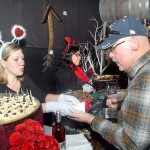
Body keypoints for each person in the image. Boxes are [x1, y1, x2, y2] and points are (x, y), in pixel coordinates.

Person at [69, 16, 150, 150]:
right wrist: (123, 96)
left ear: (134, 42)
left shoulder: (145, 78)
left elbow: (132, 144)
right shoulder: (143, 73)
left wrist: (91, 120)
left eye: (113, 48)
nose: (110, 55)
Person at [0, 42, 82, 116]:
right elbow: (19, 113)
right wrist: (51, 107)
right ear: (3, 63)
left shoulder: (24, 79)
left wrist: (62, 98)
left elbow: (43, 97)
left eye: (22, 58)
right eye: (16, 59)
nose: (22, 63)